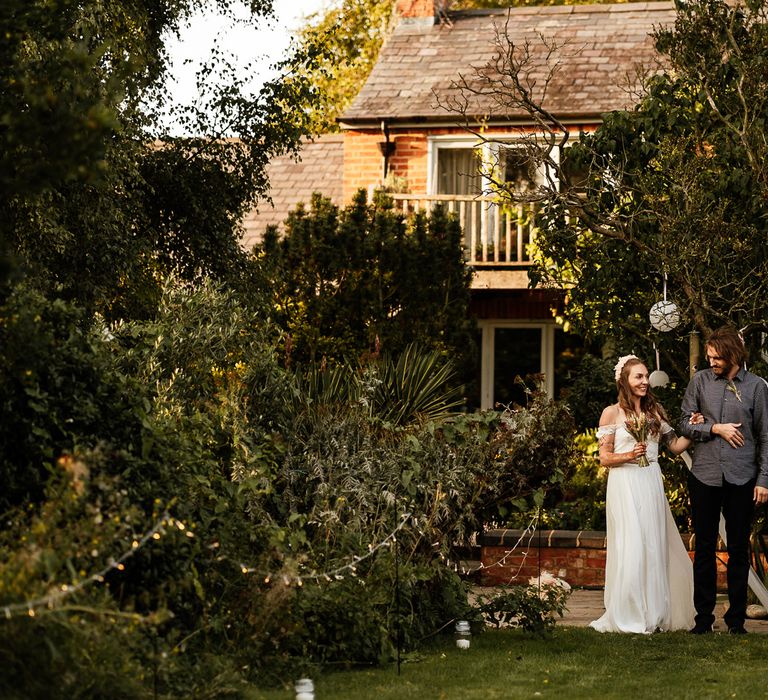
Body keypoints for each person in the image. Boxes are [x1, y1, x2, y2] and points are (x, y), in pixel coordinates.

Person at [590, 354, 696, 634]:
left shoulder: (655, 412)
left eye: (646, 376)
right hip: (625, 484)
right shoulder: (611, 413)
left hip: (650, 482)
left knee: (653, 544)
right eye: (638, 376)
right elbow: (604, 458)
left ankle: (655, 613)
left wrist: (695, 429)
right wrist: (628, 454)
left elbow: (674, 446)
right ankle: (630, 613)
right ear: (624, 380)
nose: (645, 381)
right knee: (631, 546)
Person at [679, 326, 768, 634]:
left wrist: (764, 480)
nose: (712, 361)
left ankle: (736, 621)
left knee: (739, 549)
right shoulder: (700, 382)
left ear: (733, 355)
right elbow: (683, 423)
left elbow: (765, 436)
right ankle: (703, 620)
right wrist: (714, 428)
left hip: (743, 477)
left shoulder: (756, 387)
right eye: (709, 356)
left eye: (717, 357)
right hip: (704, 474)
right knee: (703, 547)